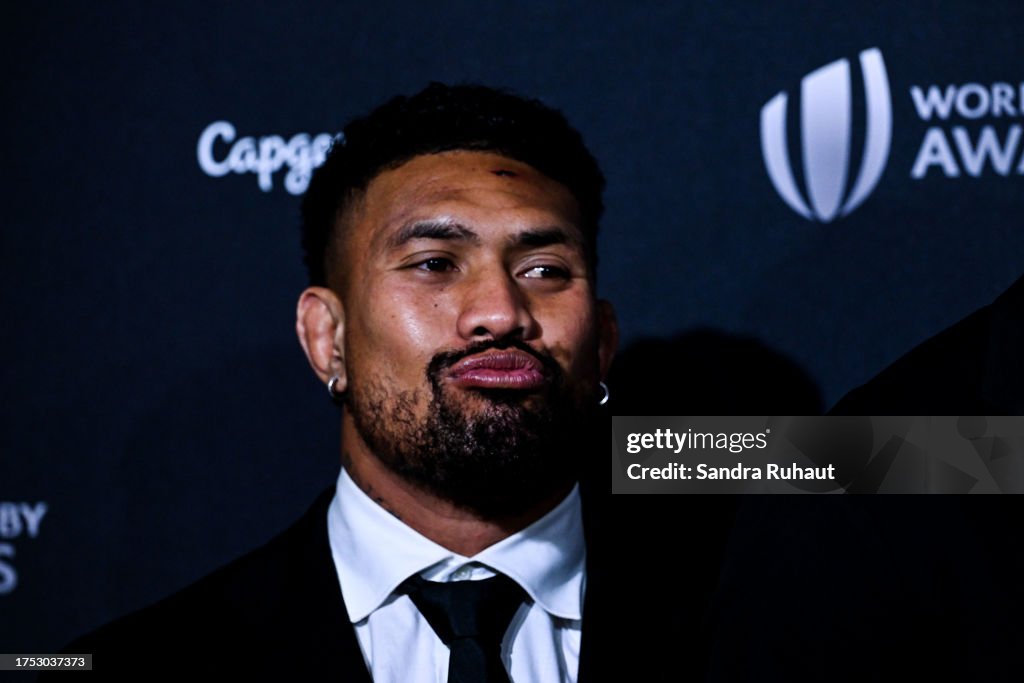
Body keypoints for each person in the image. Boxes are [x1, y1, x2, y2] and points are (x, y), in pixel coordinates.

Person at [58, 83, 723, 681]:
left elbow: (825, 460)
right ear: (328, 338)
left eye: (545, 269)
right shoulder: (137, 670)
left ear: (602, 342)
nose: (500, 312)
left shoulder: (764, 631)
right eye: (435, 262)